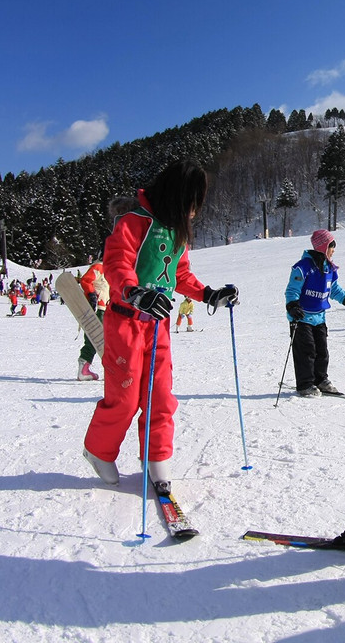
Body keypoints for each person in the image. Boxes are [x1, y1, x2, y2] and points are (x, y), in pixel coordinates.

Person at [82, 159, 239, 491]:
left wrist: (208, 294)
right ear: (175, 196)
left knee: (159, 396)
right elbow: (116, 262)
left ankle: (156, 459)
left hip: (158, 326)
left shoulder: (176, 230)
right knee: (124, 398)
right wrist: (134, 293)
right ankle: (98, 451)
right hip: (125, 322)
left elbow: (179, 275)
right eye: (190, 204)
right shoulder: (132, 221)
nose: (194, 213)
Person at [285, 230, 345, 397]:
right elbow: (292, 290)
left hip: (319, 317)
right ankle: (305, 384)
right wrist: (292, 305)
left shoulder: (329, 268)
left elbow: (334, 289)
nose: (333, 250)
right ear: (323, 246)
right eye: (331, 246)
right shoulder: (303, 267)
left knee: (322, 351)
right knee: (306, 351)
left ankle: (320, 380)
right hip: (301, 318)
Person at [77, 261, 109, 379]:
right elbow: (86, 280)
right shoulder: (99, 267)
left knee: (106, 340)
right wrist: (91, 294)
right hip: (98, 309)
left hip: (107, 309)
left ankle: (85, 366)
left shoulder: (111, 269)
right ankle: (84, 367)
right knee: (96, 337)